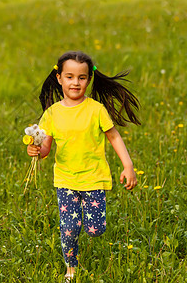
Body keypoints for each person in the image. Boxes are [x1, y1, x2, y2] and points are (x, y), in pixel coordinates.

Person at [27, 51, 140, 280]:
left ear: (89, 79)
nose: (75, 83)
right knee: (69, 229)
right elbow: (46, 147)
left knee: (95, 229)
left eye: (81, 77)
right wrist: (36, 151)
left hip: (94, 178)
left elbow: (114, 137)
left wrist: (128, 166)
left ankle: (90, 230)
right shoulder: (51, 114)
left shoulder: (96, 110)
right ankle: (71, 267)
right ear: (59, 78)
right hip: (66, 180)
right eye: (69, 77)